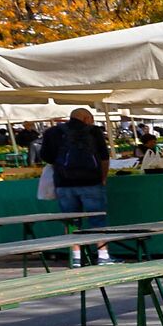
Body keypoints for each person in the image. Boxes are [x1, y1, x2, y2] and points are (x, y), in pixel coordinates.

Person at [37, 108, 112, 262]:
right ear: (85, 118)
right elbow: (104, 157)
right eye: (91, 118)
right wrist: (103, 177)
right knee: (97, 219)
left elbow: (45, 156)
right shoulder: (93, 131)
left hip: (64, 183)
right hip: (91, 182)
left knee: (71, 221)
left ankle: (76, 257)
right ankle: (103, 255)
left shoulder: (52, 132)